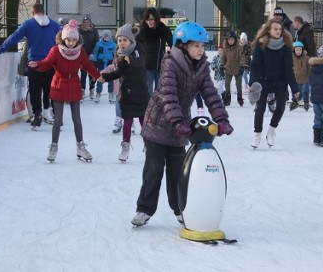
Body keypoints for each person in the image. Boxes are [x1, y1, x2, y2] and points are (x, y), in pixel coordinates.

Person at [130, 21, 233, 227]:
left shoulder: (202, 67)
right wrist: (178, 121)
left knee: (178, 174)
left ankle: (180, 209)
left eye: (203, 46)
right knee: (154, 170)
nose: (201, 50)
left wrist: (222, 119)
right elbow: (169, 95)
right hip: (158, 125)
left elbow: (210, 94)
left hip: (179, 129)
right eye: (196, 46)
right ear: (182, 45)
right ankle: (144, 209)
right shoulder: (170, 63)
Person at [29, 20, 101, 162]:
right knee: (58, 119)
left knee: (77, 118)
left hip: (74, 84)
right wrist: (36, 64)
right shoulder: (56, 50)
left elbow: (87, 65)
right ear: (62, 38)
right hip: (59, 84)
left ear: (77, 39)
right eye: (68, 39)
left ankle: (80, 146)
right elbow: (46, 64)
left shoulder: (80, 51)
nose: (71, 43)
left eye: (74, 40)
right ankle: (54, 147)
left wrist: (99, 76)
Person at [0, 3, 60, 128]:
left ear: (33, 13)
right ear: (44, 12)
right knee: (48, 89)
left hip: (34, 63)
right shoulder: (54, 24)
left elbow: (14, 37)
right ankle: (47, 110)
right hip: (51, 63)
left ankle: (37, 114)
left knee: (34, 90)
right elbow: (63, 40)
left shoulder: (28, 24)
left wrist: (1, 49)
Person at [99, 23, 149, 162]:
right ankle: (125, 147)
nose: (121, 43)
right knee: (127, 119)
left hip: (140, 92)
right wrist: (105, 77)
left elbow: (141, 62)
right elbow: (118, 72)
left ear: (131, 40)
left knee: (142, 120)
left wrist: (131, 59)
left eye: (124, 40)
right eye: (119, 40)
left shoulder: (138, 49)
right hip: (126, 92)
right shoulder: (120, 54)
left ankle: (149, 144)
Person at [248, 18, 300, 149]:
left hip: (280, 81)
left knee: (281, 108)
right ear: (269, 30)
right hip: (263, 81)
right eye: (275, 29)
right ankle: (257, 134)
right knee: (260, 109)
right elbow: (255, 65)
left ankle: (271, 130)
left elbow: (289, 68)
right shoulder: (261, 45)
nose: (278, 31)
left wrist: (295, 88)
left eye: (280, 29)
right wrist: (253, 83)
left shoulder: (286, 46)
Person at [136, 8, 173, 96]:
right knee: (148, 91)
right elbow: (136, 46)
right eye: (147, 19)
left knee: (159, 91)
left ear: (156, 18)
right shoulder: (142, 31)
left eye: (151, 19)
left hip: (160, 65)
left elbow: (173, 45)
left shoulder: (164, 30)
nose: (149, 22)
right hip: (147, 66)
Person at [220, 31, 245, 106]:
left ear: (235, 40)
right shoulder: (225, 48)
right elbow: (223, 57)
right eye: (229, 39)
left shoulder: (239, 48)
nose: (230, 41)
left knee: (238, 84)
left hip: (237, 69)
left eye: (232, 39)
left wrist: (241, 66)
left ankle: (239, 97)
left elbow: (242, 57)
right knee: (227, 83)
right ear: (227, 40)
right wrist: (221, 66)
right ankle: (227, 98)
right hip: (228, 68)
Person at [79, 15, 100, 100]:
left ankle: (92, 89)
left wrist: (93, 53)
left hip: (92, 55)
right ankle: (82, 90)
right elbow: (78, 43)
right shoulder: (79, 31)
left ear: (90, 23)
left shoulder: (94, 31)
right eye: (84, 22)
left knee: (91, 73)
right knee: (83, 73)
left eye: (87, 22)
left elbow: (97, 43)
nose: (86, 24)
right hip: (82, 55)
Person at [93, 29, 116, 103]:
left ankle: (111, 93)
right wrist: (95, 61)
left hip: (109, 63)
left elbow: (115, 54)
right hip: (101, 62)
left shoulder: (113, 44)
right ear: (102, 37)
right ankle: (98, 93)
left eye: (108, 37)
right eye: (105, 37)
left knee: (111, 79)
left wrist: (114, 62)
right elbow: (96, 53)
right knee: (100, 78)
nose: (106, 38)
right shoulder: (99, 44)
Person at [290, 41, 310, 111]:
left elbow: (309, 66)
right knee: (295, 91)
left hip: (305, 78)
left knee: (305, 91)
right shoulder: (292, 58)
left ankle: (306, 101)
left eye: (300, 50)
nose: (298, 51)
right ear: (294, 50)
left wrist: (310, 73)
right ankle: (295, 101)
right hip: (296, 79)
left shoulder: (306, 58)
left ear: (302, 50)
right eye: (297, 50)